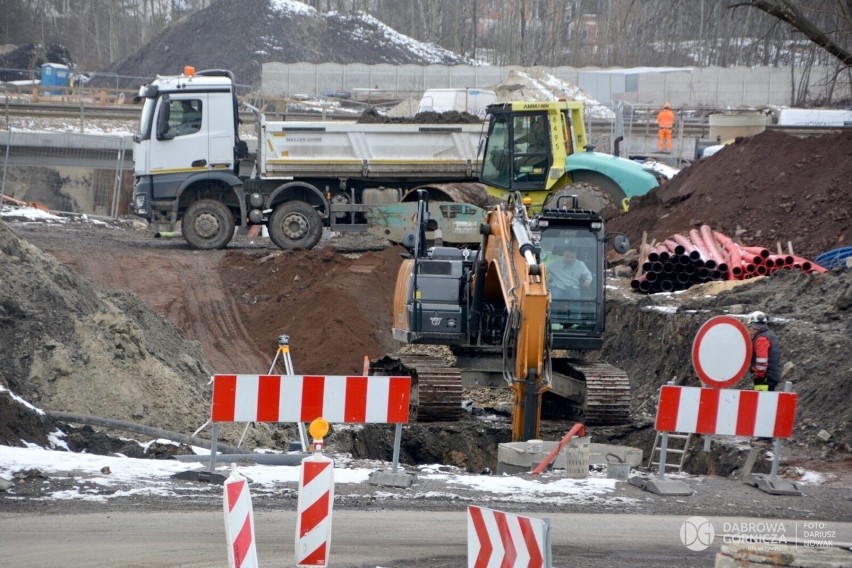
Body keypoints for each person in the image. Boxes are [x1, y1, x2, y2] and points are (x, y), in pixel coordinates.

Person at [747, 311, 781, 392]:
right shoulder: (769, 334)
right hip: (770, 376)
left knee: (762, 402)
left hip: (764, 379)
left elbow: (762, 361)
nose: (750, 330)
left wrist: (759, 375)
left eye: (750, 328)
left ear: (754, 327)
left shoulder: (761, 339)